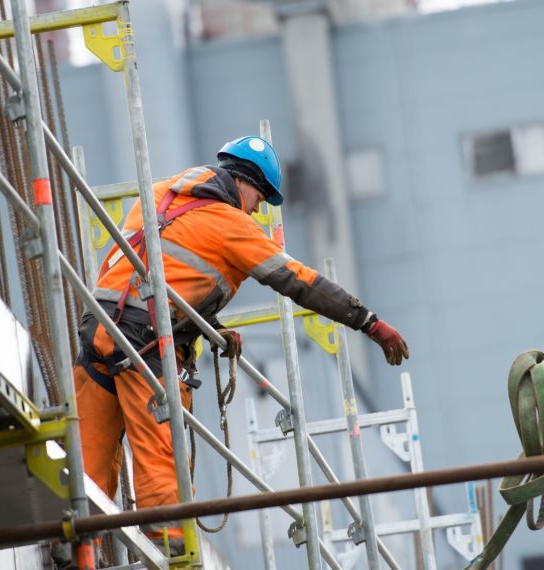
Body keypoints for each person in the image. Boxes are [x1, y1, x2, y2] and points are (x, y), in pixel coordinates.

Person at [72, 135, 409, 553]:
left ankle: (74, 549)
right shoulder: (231, 223)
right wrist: (369, 322)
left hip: (98, 323)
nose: (257, 210)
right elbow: (298, 281)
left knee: (90, 450)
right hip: (146, 340)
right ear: (246, 184)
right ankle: (169, 548)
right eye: (260, 199)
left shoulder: (157, 194)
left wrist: (208, 325)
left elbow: (160, 272)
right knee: (160, 450)